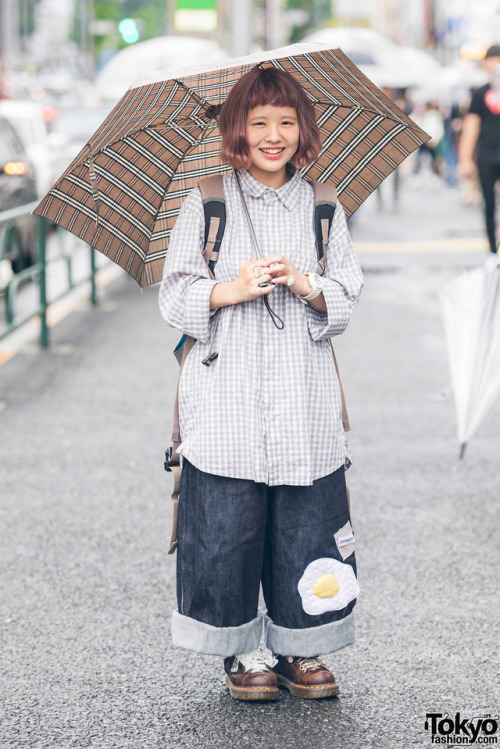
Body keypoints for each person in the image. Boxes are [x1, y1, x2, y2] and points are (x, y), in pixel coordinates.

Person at [159, 66, 363, 701]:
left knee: (305, 523)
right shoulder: (206, 202)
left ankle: (300, 648)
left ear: (303, 128)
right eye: (258, 123)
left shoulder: (324, 205)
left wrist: (307, 284)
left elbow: (348, 297)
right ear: (236, 131)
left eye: (286, 122)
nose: (273, 135)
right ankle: (241, 649)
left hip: (302, 397)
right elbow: (175, 294)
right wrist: (231, 289)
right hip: (226, 398)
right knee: (227, 527)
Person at [458, 44, 500, 253]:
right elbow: (471, 127)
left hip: (489, 155)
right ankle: (493, 249)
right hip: (486, 157)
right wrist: (465, 159)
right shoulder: (480, 93)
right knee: (489, 204)